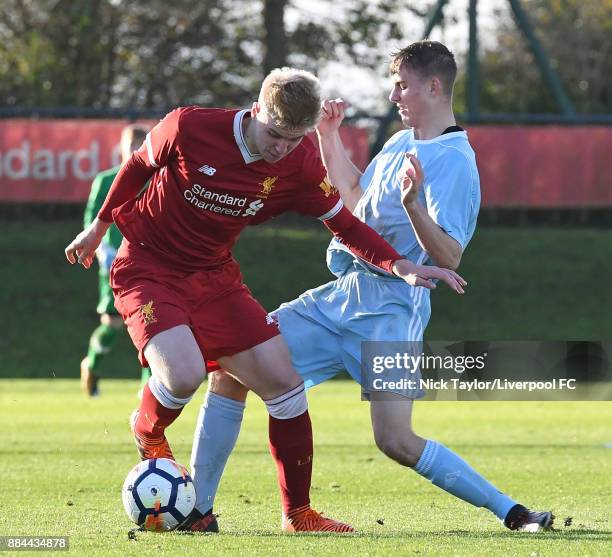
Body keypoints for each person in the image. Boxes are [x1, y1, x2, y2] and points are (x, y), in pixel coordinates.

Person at [64, 66, 465, 534]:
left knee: (285, 385)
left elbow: (344, 223)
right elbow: (137, 168)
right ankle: (148, 428)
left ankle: (298, 514)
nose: (282, 148)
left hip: (215, 277)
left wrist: (400, 265)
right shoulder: (191, 127)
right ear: (256, 110)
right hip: (148, 268)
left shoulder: (297, 163)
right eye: (275, 134)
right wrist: (97, 229)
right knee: (185, 373)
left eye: (294, 140)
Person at [190, 42, 554, 533]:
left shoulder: (455, 160)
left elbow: (449, 256)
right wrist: (327, 135)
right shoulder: (401, 143)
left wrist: (413, 206)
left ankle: (512, 511)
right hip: (341, 297)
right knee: (232, 370)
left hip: (393, 311)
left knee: (396, 441)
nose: (393, 94)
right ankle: (197, 511)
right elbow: (357, 197)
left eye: (402, 84)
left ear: (433, 86)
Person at [80, 124, 151, 397]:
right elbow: (91, 218)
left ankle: (149, 388)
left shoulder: (155, 180)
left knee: (152, 320)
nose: (135, 148)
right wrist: (100, 250)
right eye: (131, 143)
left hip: (147, 261)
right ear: (121, 147)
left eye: (140, 143)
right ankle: (92, 364)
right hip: (113, 263)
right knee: (112, 325)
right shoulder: (106, 180)